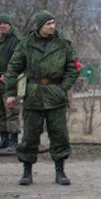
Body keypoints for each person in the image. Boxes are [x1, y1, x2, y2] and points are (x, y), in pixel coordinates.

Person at [3, 10, 78, 186]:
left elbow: (73, 68)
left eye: (53, 23)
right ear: (40, 26)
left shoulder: (63, 44)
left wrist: (63, 88)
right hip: (34, 95)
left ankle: (60, 172)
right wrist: (11, 94)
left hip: (55, 94)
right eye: (48, 23)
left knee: (59, 135)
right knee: (29, 135)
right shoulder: (26, 44)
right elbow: (13, 68)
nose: (52, 26)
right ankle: (26, 172)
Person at [0, 12, 23, 154]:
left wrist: (8, 75)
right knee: (1, 112)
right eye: (0, 24)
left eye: (5, 23)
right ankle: (4, 139)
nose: (2, 26)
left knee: (11, 110)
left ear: (9, 25)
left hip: (10, 81)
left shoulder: (16, 40)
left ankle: (14, 141)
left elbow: (19, 61)